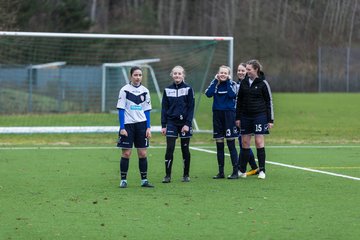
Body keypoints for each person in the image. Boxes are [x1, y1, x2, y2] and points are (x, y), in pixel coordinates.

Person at [116, 66, 154, 188]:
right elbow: (121, 109)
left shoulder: (145, 91)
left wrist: (148, 127)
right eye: (135, 75)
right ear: (131, 76)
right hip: (128, 125)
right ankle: (123, 180)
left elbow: (147, 110)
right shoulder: (124, 90)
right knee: (126, 153)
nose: (138, 77)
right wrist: (122, 127)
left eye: (140, 75)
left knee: (142, 153)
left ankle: (144, 180)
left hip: (142, 125)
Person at [236, 60, 274, 179]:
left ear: (256, 69)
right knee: (245, 142)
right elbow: (239, 101)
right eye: (246, 69)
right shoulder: (244, 83)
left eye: (249, 69)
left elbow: (269, 101)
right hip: (245, 116)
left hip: (259, 116)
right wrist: (237, 117)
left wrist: (270, 120)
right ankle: (242, 170)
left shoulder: (263, 83)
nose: (246, 72)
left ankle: (262, 170)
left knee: (258, 142)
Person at [161, 66, 195, 183]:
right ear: (172, 75)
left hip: (184, 124)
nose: (177, 75)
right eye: (175, 73)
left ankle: (186, 175)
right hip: (171, 123)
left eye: (179, 73)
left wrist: (187, 124)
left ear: (183, 75)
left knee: (185, 149)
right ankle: (167, 175)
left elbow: (191, 108)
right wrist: (163, 125)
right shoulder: (167, 89)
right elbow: (164, 108)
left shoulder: (188, 89)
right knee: (169, 149)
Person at [205, 65, 239, 179]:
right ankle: (221, 172)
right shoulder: (215, 84)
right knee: (219, 144)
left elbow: (232, 95)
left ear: (228, 74)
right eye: (221, 73)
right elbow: (208, 94)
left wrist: (228, 81)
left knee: (231, 144)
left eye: (225, 73)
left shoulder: (232, 84)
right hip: (217, 115)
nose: (223, 75)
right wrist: (215, 81)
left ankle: (235, 171)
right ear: (218, 73)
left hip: (229, 115)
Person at [236, 63, 258, 176]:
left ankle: (244, 168)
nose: (240, 72)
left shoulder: (249, 84)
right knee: (242, 142)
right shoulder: (235, 84)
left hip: (245, 116)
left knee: (244, 143)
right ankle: (253, 167)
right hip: (235, 116)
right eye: (238, 70)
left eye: (243, 70)